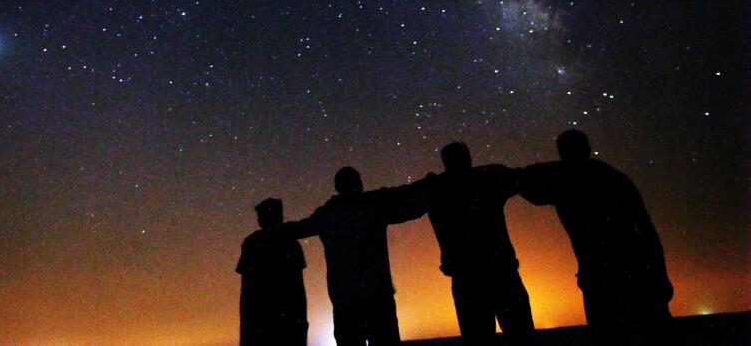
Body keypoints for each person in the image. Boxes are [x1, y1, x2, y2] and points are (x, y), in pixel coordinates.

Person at [519, 129, 673, 345]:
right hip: (634, 271)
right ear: (588, 149)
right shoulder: (614, 178)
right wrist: (660, 274)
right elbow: (647, 231)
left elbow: (530, 189)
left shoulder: (564, 183)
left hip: (604, 277)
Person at [285, 167, 427, 346]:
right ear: (358, 184)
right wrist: (431, 194)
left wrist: (272, 231)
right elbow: (409, 209)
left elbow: (295, 229)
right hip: (376, 296)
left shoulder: (327, 215)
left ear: (337, 187)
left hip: (346, 299)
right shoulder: (372, 208)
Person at [427, 142, 537, 346]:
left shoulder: (438, 189)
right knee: (520, 334)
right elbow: (523, 178)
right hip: (498, 273)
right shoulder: (487, 178)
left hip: (470, 276)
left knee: (482, 337)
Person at [237, 198, 308, 346]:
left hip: (259, 318)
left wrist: (245, 325)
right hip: (287, 318)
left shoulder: (251, 243)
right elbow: (298, 287)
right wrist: (303, 320)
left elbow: (247, 290)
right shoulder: (291, 244)